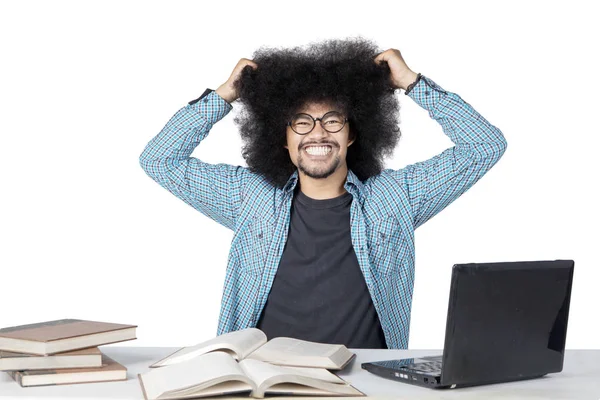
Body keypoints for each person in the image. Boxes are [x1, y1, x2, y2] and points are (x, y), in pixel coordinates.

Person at [139, 38, 507, 349]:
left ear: (352, 134)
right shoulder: (249, 196)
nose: (317, 134)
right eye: (301, 122)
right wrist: (224, 94)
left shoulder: (395, 198)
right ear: (282, 140)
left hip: (363, 382)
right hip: (263, 378)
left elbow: (485, 146)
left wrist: (412, 82)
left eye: (332, 120)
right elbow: (158, 160)